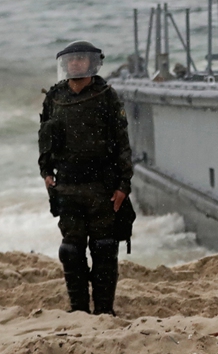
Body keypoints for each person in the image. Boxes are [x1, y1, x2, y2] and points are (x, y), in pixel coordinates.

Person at [38, 41, 133, 316]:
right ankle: (78, 311)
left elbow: (122, 143)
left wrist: (123, 185)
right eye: (71, 59)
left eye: (81, 59)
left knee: (104, 248)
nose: (75, 64)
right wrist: (46, 172)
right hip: (67, 185)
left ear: (92, 63)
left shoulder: (106, 96)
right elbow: (44, 137)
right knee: (71, 250)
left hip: (101, 187)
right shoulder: (55, 97)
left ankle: (104, 311)